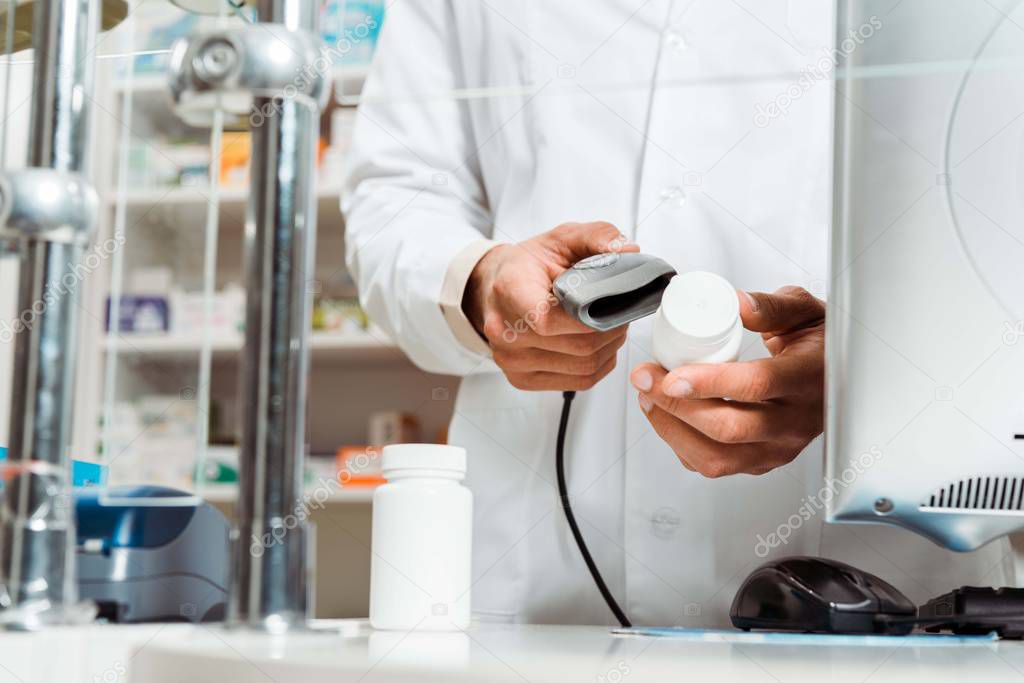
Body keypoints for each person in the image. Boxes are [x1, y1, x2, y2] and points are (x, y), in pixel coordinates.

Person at [342, 0, 1013, 627]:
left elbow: (993, 206)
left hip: (869, 590)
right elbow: (398, 195)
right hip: (538, 596)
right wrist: (481, 284)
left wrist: (869, 375)